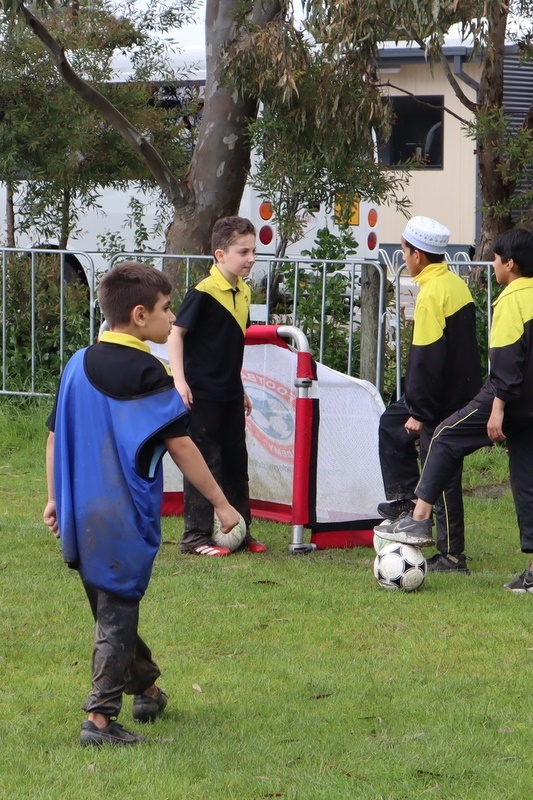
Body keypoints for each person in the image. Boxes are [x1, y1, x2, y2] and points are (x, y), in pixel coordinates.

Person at [43, 261, 241, 747]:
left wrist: (53, 497)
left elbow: (53, 439)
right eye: (165, 309)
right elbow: (182, 446)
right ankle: (100, 719)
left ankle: (147, 688)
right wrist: (222, 504)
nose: (172, 319)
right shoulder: (149, 372)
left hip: (79, 510)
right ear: (138, 315)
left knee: (110, 603)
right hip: (121, 513)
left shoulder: (76, 362)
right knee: (117, 610)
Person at [375, 228, 533, 591]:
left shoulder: (505, 298)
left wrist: (494, 408)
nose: (492, 264)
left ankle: (419, 520)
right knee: (525, 483)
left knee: (442, 442)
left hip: (490, 397)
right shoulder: (456, 284)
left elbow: (431, 360)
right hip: (479, 392)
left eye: (495, 258)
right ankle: (419, 517)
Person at [376, 216, 482, 572]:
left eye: (404, 251)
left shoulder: (430, 294)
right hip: (457, 389)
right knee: (391, 423)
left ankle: (452, 555)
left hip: (442, 397)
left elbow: (426, 360)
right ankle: (407, 500)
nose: (403, 257)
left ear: (418, 255)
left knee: (444, 467)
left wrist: (420, 411)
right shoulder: (455, 283)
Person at [167, 216, 266, 556]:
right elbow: (175, 335)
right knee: (206, 462)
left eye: (254, 251)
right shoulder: (203, 292)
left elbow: (229, 346)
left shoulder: (245, 291)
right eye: (243, 252)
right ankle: (195, 536)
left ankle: (240, 531)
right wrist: (180, 382)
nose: (251, 258)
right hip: (201, 394)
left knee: (237, 461)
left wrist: (240, 387)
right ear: (220, 255)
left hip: (228, 394)